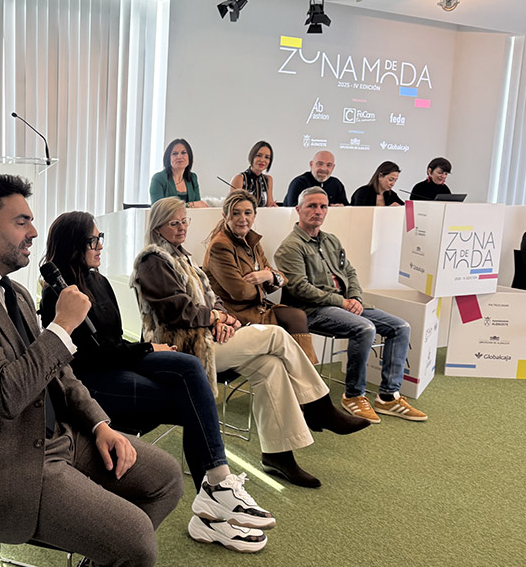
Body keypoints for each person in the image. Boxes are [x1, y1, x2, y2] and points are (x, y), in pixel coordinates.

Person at [0, 174, 184, 567]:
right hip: (2, 466)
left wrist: (99, 425)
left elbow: (60, 373)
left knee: (166, 478)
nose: (34, 232)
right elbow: (5, 394)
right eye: (21, 221)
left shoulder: (16, 293)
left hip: (57, 438)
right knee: (136, 539)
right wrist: (62, 327)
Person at [40, 211, 272, 553]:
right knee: (191, 402)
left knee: (189, 367)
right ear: (74, 245)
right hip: (92, 380)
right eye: (93, 240)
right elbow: (91, 356)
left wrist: (146, 349)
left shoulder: (99, 281)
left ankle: (217, 490)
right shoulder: (58, 296)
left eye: (100, 238)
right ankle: (213, 509)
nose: (100, 245)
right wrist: (148, 348)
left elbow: (112, 341)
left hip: (116, 362)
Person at [131, 197, 370, 489]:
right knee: (277, 335)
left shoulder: (183, 256)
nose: (182, 227)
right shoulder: (152, 260)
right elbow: (178, 311)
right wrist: (219, 317)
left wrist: (224, 319)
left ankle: (278, 454)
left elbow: (213, 298)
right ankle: (320, 407)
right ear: (158, 227)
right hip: (183, 349)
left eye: (184, 221)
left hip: (208, 337)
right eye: (174, 223)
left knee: (270, 366)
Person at [274, 187, 428, 426]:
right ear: (298, 209)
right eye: (312, 206)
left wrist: (355, 297)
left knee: (400, 327)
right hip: (312, 310)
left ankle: (388, 397)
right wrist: (342, 301)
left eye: (323, 206)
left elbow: (350, 272)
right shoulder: (290, 247)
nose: (318, 211)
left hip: (345, 304)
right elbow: (300, 289)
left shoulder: (331, 240)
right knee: (364, 328)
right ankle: (354, 395)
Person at [202, 190, 319, 365]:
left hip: (258, 308)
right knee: (293, 321)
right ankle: (303, 375)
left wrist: (268, 275)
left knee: (297, 316)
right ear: (225, 215)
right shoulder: (220, 245)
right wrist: (264, 283)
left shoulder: (252, 241)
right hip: (236, 314)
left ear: (254, 215)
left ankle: (305, 373)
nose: (243, 218)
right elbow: (240, 292)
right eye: (236, 213)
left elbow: (281, 279)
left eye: (247, 213)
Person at [149, 138, 209, 208]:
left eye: (183, 153)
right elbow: (157, 208)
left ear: (189, 157)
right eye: (175, 153)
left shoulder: (193, 178)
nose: (179, 157)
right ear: (168, 158)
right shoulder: (159, 178)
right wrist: (190, 205)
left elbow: (198, 206)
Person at [282, 150, 348, 207]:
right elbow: (293, 209)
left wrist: (341, 208)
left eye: (329, 165)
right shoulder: (299, 183)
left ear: (333, 167)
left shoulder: (336, 184)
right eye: (320, 164)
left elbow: (347, 208)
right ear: (311, 164)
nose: (324, 168)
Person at [229, 141, 277, 208]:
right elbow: (234, 207)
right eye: (259, 155)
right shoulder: (239, 178)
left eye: (267, 157)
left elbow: (269, 205)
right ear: (252, 156)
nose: (262, 160)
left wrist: (273, 207)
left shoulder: (268, 179)